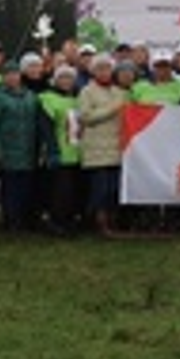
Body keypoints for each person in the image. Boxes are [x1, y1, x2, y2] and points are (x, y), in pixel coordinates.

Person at [77, 53, 129, 236]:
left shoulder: (120, 92)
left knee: (113, 189)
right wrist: (111, 110)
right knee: (100, 189)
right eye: (100, 68)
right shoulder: (86, 92)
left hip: (116, 147)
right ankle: (98, 221)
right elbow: (85, 116)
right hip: (96, 149)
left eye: (107, 68)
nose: (104, 72)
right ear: (93, 71)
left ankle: (112, 220)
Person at [0, 62, 42, 231]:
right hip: (8, 148)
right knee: (11, 188)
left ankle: (26, 219)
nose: (12, 77)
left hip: (28, 148)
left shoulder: (31, 96)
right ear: (4, 77)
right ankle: (12, 220)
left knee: (27, 186)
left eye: (15, 74)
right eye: (8, 74)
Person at [39, 64, 84, 235]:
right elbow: (46, 128)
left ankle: (71, 220)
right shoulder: (47, 98)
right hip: (60, 151)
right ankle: (56, 222)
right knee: (60, 191)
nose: (66, 81)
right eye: (62, 78)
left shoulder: (78, 99)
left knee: (74, 191)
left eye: (70, 78)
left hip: (77, 152)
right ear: (55, 80)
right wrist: (52, 150)